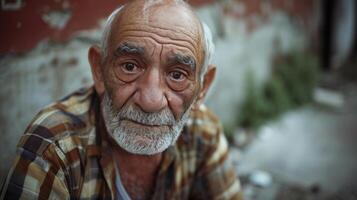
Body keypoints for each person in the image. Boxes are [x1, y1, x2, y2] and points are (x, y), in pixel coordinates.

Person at [0, 0, 242, 199]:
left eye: (177, 75)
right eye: (129, 66)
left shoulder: (203, 132)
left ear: (203, 87)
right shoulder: (54, 145)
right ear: (99, 70)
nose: (150, 100)